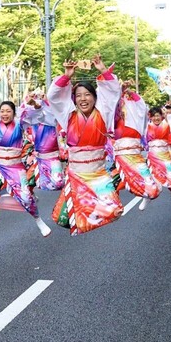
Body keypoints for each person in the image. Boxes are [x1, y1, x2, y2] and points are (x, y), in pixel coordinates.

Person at [46, 55, 124, 235]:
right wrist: (67, 75)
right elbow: (53, 96)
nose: (83, 99)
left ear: (95, 97)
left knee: (114, 211)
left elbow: (113, 93)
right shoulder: (68, 115)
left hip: (98, 174)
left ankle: (90, 218)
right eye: (79, 95)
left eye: (87, 94)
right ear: (74, 99)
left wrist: (103, 70)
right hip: (77, 175)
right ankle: (85, 221)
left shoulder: (104, 112)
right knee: (61, 218)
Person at [0, 97, 51, 236]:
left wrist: (33, 105)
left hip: (16, 167)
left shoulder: (20, 124)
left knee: (25, 197)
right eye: (2, 111)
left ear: (14, 113)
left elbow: (35, 116)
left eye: (8, 111)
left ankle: (39, 221)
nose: (5, 114)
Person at [109, 82, 160, 211]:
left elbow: (142, 107)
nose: (124, 107)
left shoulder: (136, 121)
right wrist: (120, 90)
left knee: (154, 189)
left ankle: (141, 194)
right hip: (121, 155)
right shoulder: (113, 120)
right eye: (122, 104)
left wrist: (131, 93)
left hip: (136, 154)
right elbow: (109, 104)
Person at [21, 92, 66, 192]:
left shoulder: (50, 116)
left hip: (52, 156)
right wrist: (28, 99)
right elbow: (22, 114)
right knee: (43, 185)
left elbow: (55, 111)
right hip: (39, 157)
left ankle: (67, 177)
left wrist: (46, 99)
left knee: (58, 183)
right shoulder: (34, 121)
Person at [146, 106, 171, 213]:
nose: (156, 118)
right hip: (152, 158)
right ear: (150, 117)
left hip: (165, 157)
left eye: (158, 115)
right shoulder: (146, 126)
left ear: (162, 116)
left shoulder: (167, 125)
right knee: (152, 182)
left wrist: (168, 113)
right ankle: (146, 198)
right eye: (153, 116)